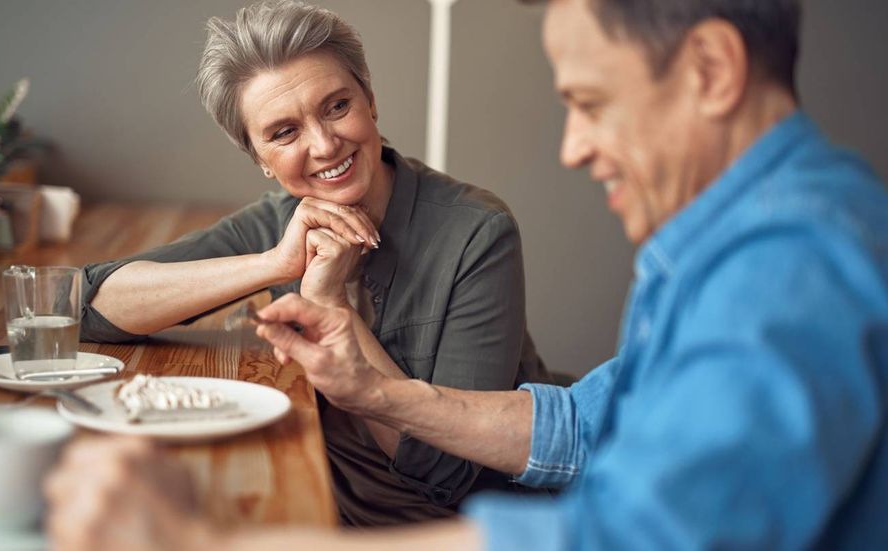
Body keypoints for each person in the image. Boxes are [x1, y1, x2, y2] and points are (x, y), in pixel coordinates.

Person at [46, 0, 888, 549]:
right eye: (284, 131)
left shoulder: (791, 263)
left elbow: (637, 534)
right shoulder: (728, 245)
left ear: (709, 69)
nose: (572, 147)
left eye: (589, 103)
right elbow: (584, 427)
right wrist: (370, 385)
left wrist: (211, 545)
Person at [76, 0, 546, 527]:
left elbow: (444, 473)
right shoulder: (281, 220)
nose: (324, 144)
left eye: (337, 106)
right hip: (320, 501)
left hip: (445, 527)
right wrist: (277, 263)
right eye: (283, 133)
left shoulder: (477, 231)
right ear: (259, 159)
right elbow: (92, 304)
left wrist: (326, 301)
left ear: (370, 99)